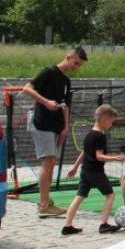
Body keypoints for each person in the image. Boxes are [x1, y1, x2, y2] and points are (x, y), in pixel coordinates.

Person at [22, 46, 87, 217]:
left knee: (51, 164)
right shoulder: (49, 72)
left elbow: (65, 106)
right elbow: (27, 88)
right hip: (42, 123)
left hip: (57, 126)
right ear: (68, 57)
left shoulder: (66, 81)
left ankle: (46, 200)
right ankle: (44, 205)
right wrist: (46, 102)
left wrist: (65, 127)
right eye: (76, 63)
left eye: (79, 65)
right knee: (48, 162)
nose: (76, 67)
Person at [62, 104, 125, 236]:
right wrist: (115, 158)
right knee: (110, 195)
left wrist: (75, 167)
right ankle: (103, 224)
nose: (111, 124)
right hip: (95, 172)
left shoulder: (89, 134)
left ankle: (67, 226)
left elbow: (84, 152)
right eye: (111, 121)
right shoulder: (99, 136)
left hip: (85, 170)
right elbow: (99, 156)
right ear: (104, 119)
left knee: (79, 196)